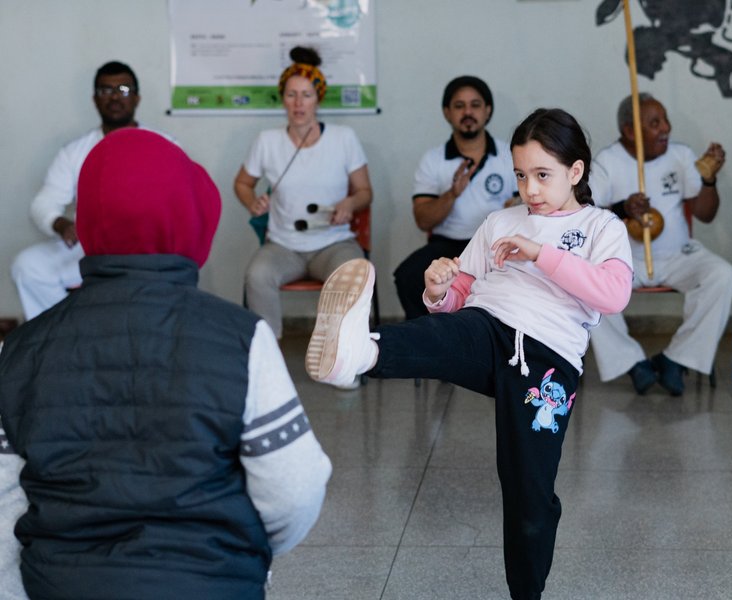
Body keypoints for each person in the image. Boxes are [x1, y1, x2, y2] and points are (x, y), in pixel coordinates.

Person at [306, 108, 633, 600]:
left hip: (546, 364)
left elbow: (612, 294)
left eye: (543, 176)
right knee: (447, 333)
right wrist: (438, 287)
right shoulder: (500, 221)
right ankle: (360, 352)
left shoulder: (600, 227)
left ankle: (527, 594)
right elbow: (458, 294)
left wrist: (540, 253)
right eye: (522, 176)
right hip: (486, 325)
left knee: (529, 493)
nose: (531, 190)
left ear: (576, 172)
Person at [0, 130, 332, 599]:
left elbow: (5, 503)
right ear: (189, 218)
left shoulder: (19, 349)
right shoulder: (240, 338)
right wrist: (244, 556)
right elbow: (295, 489)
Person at [589, 93, 732, 396]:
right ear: (629, 131)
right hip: (625, 258)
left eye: (665, 119)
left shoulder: (681, 156)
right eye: (655, 123)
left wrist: (709, 181)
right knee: (588, 286)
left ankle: (677, 359)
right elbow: (585, 213)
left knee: (724, 276)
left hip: (679, 255)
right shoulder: (607, 162)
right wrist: (621, 209)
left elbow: (705, 214)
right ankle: (631, 363)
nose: (666, 128)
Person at [10, 61, 170, 321]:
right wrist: (61, 224)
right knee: (28, 266)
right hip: (90, 247)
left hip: (146, 249)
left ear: (137, 98)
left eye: (124, 89)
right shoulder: (74, 152)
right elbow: (44, 203)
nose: (115, 97)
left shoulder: (163, 146)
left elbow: (181, 205)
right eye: (106, 91)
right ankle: (63, 332)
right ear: (95, 99)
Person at [234, 45, 372, 340]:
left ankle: (343, 355)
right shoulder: (267, 141)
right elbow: (242, 183)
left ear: (317, 99)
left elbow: (364, 192)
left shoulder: (343, 138)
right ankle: (267, 357)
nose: (298, 104)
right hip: (284, 246)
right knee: (256, 276)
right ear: (282, 98)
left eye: (306, 95)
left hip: (334, 242)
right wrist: (252, 202)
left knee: (352, 274)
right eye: (291, 95)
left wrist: (350, 202)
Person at [393, 75, 517, 320]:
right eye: (459, 106)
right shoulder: (434, 159)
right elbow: (423, 220)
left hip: (494, 245)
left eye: (475, 105)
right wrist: (452, 194)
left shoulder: (509, 155)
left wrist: (515, 210)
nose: (467, 112)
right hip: (448, 246)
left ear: (487, 111)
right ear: (447, 112)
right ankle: (430, 341)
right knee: (407, 276)